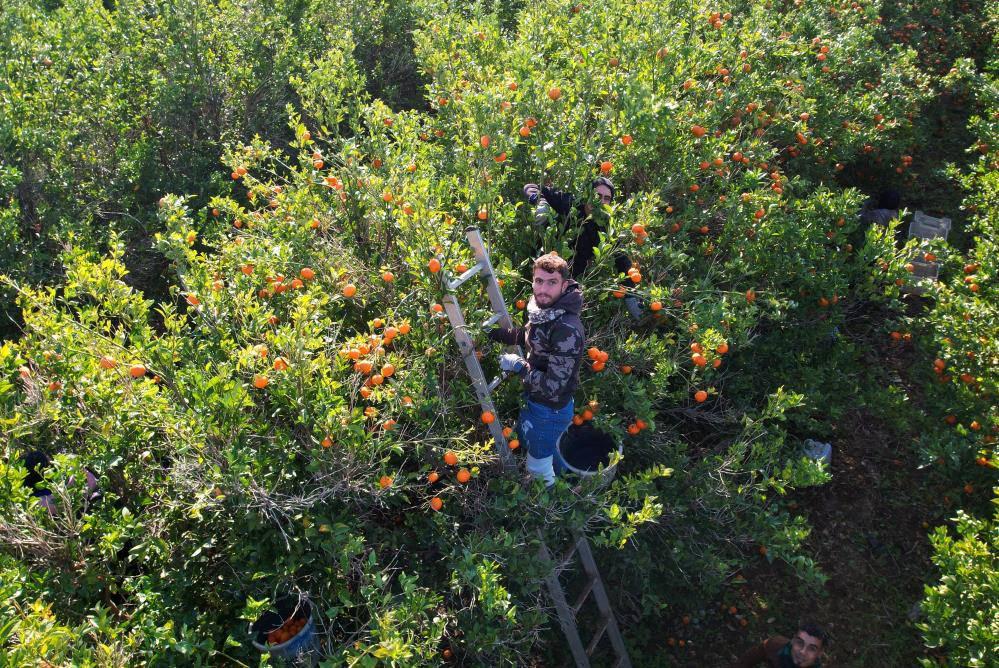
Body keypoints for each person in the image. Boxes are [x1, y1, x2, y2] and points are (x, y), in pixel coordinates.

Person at [488, 253, 585, 486]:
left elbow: (553, 387)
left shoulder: (566, 329)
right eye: (539, 281)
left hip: (549, 409)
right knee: (553, 451)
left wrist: (519, 366)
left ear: (564, 285)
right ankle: (571, 484)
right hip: (540, 402)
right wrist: (493, 334)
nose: (543, 289)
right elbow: (530, 335)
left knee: (538, 468)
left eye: (552, 283)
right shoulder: (543, 311)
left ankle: (549, 510)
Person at [523, 177, 642, 319]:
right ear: (588, 194)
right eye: (597, 196)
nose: (601, 201)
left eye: (606, 198)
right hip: (543, 271)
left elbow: (622, 261)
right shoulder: (570, 203)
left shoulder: (605, 227)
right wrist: (540, 201)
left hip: (569, 283)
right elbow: (533, 185)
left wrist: (631, 296)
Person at [732, 623, 828, 668]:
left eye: (811, 649)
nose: (802, 652)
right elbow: (746, 660)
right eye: (800, 643)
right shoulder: (775, 646)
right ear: (793, 640)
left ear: (820, 653)